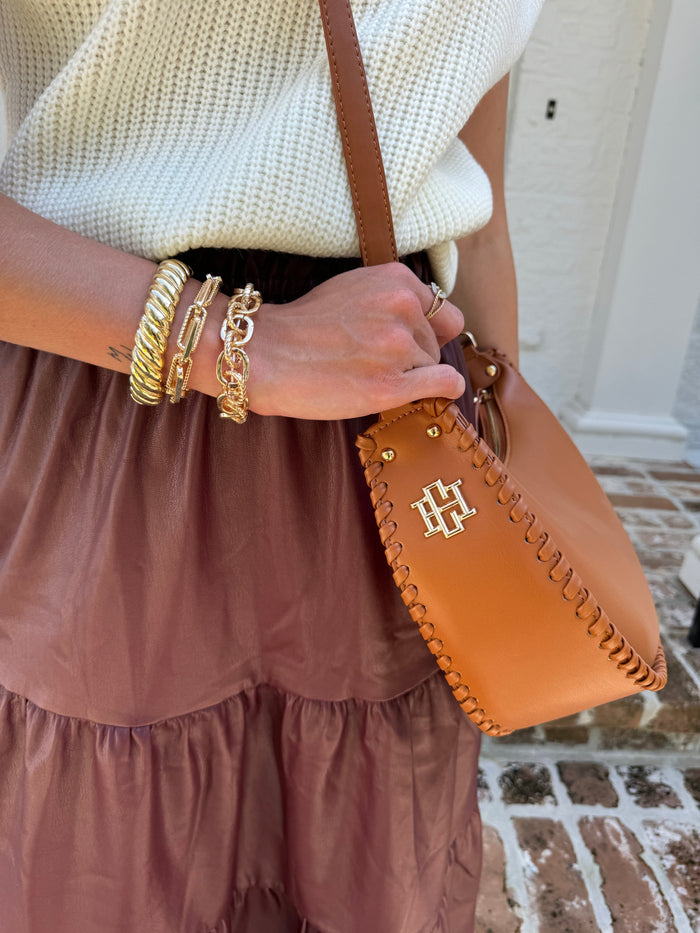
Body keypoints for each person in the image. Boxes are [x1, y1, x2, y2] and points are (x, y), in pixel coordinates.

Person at [0, 1, 543, 930]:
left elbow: (479, 218)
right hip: (118, 403)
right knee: (101, 862)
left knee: (366, 851)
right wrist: (244, 342)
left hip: (394, 436)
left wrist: (508, 471)